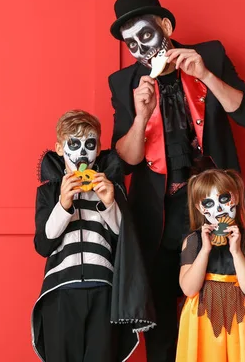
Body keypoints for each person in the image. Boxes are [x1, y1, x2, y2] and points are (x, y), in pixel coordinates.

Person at [108, 0, 245, 362]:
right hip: (158, 220)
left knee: (223, 315)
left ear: (166, 25)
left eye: (145, 35)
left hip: (215, 210)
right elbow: (125, 162)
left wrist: (206, 76)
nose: (140, 48)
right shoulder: (123, 83)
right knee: (162, 326)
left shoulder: (209, 55)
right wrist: (141, 116)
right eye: (131, 43)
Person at [31, 110, 154, 362]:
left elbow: (124, 242)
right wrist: (63, 204)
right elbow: (43, 244)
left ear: (98, 150)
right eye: (73, 144)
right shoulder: (49, 192)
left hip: (104, 291)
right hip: (60, 291)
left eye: (90, 144)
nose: (82, 152)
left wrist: (110, 204)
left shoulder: (111, 188)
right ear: (59, 148)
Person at [177, 169, 245, 361]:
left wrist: (236, 252)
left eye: (223, 199)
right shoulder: (193, 240)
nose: (218, 209)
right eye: (208, 203)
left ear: (235, 197)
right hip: (201, 318)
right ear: (200, 208)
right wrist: (205, 250)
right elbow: (188, 289)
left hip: (240, 318)